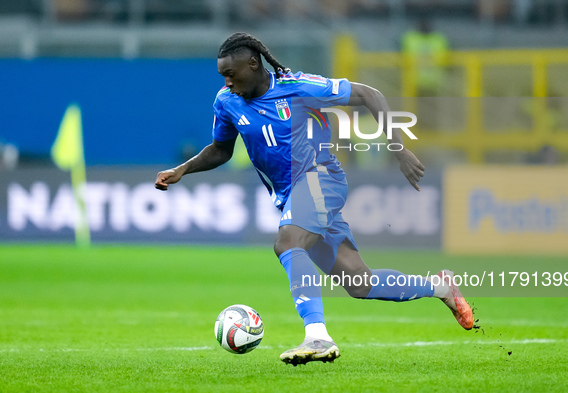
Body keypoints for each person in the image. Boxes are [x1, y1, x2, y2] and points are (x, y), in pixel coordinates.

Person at [155, 32, 473, 366]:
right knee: (359, 282)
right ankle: (440, 288)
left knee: (288, 241)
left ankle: (317, 336)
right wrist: (183, 170)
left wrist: (398, 148)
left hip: (322, 179)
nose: (226, 81)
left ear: (253, 64)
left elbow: (369, 94)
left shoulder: (299, 87)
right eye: (223, 75)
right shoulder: (227, 100)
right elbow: (221, 149)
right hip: (293, 195)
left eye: (231, 73)